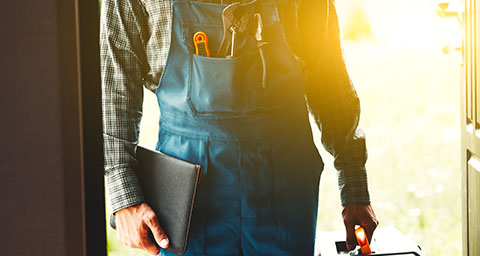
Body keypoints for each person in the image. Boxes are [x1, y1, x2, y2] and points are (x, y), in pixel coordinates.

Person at [101, 0, 379, 255]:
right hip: (186, 199)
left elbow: (330, 82)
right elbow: (115, 87)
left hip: (285, 189)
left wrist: (354, 185)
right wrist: (124, 195)